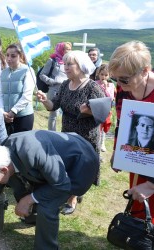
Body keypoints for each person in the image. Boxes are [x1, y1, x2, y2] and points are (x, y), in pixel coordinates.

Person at [0, 130, 100, 250]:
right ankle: (33, 218)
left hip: (80, 165)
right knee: (16, 185)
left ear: (3, 169)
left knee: (47, 206)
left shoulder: (35, 153)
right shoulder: (1, 155)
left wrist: (29, 199)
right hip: (52, 168)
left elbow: (61, 184)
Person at [37, 50, 105, 215]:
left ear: (81, 66)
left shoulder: (92, 87)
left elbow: (103, 112)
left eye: (69, 64)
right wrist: (45, 100)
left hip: (86, 135)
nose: (65, 67)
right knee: (67, 166)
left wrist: (88, 111)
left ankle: (73, 198)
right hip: (67, 134)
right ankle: (70, 192)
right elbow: (54, 106)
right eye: (64, 64)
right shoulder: (65, 84)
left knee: (80, 168)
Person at [108, 41, 154, 223]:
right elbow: (123, 122)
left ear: (145, 70)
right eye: (114, 79)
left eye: (124, 79)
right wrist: (118, 151)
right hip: (140, 157)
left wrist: (151, 184)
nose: (118, 84)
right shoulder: (123, 88)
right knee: (139, 205)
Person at [0, 43, 35, 135]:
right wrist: (2, 111)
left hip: (23, 117)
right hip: (6, 117)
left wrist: (13, 111)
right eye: (7, 55)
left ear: (20, 56)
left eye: (13, 56)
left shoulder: (27, 71)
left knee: (21, 147)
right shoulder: (3, 73)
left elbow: (27, 95)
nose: (9, 59)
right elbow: (0, 94)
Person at [39, 42, 72, 131]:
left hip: (68, 90)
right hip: (54, 90)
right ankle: (52, 134)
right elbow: (42, 75)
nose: (69, 51)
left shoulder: (69, 62)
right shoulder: (52, 61)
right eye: (67, 49)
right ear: (61, 49)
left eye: (70, 49)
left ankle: (65, 133)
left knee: (68, 113)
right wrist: (53, 82)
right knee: (53, 114)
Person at [95, 64, 115, 152]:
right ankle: (96, 141)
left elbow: (111, 97)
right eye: (102, 74)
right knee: (97, 126)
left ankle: (102, 142)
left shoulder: (111, 85)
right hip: (97, 107)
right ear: (98, 74)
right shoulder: (95, 84)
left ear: (109, 75)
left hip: (106, 108)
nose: (103, 77)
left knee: (104, 126)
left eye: (106, 75)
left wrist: (106, 87)